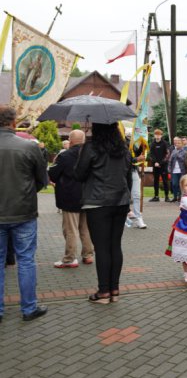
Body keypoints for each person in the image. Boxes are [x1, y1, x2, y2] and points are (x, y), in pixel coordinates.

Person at [74, 122, 132, 304]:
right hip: (120, 201)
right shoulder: (123, 149)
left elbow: (79, 174)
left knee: (102, 248)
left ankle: (103, 292)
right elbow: (128, 176)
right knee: (115, 245)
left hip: (97, 202)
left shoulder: (91, 147)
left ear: (96, 129)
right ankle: (114, 290)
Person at [0, 105, 48, 321]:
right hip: (23, 212)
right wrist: (27, 193)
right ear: (13, 122)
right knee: (26, 260)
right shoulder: (29, 147)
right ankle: (29, 308)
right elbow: (41, 181)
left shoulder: (29, 147)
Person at [48, 130, 95, 268]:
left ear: (70, 140)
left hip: (70, 197)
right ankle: (88, 255)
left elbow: (53, 174)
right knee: (85, 229)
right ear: (84, 140)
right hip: (88, 197)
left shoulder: (65, 156)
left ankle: (70, 259)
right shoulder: (92, 155)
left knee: (70, 229)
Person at [125, 135, 147, 229]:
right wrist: (136, 159)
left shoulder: (134, 141)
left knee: (137, 195)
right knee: (124, 195)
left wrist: (143, 143)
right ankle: (124, 216)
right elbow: (123, 157)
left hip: (133, 170)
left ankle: (139, 218)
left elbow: (138, 153)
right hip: (122, 171)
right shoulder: (119, 140)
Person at [149, 129, 170, 202]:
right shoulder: (152, 144)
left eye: (159, 135)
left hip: (163, 166)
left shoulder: (165, 143)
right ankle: (156, 196)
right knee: (156, 181)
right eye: (156, 135)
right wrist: (155, 162)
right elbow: (151, 154)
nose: (157, 136)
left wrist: (160, 163)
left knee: (165, 181)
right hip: (155, 166)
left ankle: (167, 197)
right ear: (154, 135)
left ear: (161, 135)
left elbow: (167, 155)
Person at [168, 137, 187, 202]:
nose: (177, 144)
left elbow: (185, 161)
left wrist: (179, 156)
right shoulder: (174, 151)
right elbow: (170, 160)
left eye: (179, 143)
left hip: (181, 170)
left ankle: (180, 197)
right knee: (174, 184)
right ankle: (175, 196)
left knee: (180, 184)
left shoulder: (184, 151)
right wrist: (169, 168)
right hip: (174, 170)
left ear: (182, 144)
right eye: (177, 143)